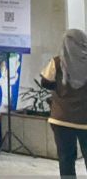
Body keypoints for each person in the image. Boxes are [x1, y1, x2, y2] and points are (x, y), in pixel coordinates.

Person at [40, 29, 87, 177]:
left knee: (66, 159)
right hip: (85, 120)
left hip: (61, 119)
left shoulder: (57, 62)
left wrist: (61, 89)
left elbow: (45, 82)